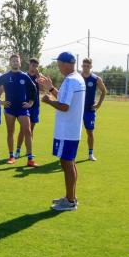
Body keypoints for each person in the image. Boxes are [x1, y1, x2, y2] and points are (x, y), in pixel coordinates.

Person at [41, 52, 85, 211]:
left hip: (66, 130)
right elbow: (65, 99)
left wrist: (48, 101)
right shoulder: (77, 79)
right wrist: (52, 88)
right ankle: (70, 197)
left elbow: (64, 106)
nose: (58, 66)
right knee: (70, 162)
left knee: (66, 163)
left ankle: (70, 201)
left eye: (59, 63)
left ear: (67, 64)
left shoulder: (70, 81)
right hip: (72, 130)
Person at [0, 54, 38, 166]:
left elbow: (34, 89)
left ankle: (30, 159)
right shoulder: (6, 76)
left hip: (22, 109)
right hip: (9, 109)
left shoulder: (24, 76)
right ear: (10, 63)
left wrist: (30, 102)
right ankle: (11, 156)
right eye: (13, 61)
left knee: (28, 131)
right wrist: (0, 101)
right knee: (10, 132)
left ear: (20, 63)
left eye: (17, 61)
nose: (15, 62)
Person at [80, 58, 107, 161]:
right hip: (78, 111)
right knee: (74, 132)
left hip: (89, 111)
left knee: (90, 132)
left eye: (88, 66)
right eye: (84, 66)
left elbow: (104, 91)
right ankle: (70, 155)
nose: (85, 68)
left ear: (91, 67)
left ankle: (90, 154)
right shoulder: (77, 77)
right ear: (81, 66)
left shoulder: (96, 79)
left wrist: (98, 104)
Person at [16, 58, 42, 159]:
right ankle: (17, 150)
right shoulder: (24, 76)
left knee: (31, 129)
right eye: (32, 65)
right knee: (23, 129)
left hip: (35, 106)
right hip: (25, 105)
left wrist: (39, 77)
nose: (34, 68)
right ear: (29, 65)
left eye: (36, 66)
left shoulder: (38, 77)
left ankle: (28, 150)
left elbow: (44, 89)